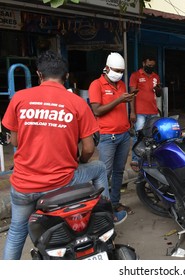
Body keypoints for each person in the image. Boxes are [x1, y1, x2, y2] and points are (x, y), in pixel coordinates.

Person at [2, 51, 127, 260]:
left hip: (23, 185)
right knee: (98, 168)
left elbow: (14, 141)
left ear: (39, 75)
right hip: (60, 182)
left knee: (16, 231)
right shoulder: (76, 102)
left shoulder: (20, 98)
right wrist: (79, 162)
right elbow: (88, 148)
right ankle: (106, 215)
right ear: (66, 76)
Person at [89, 52, 134, 214]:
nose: (119, 74)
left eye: (121, 71)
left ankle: (114, 203)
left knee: (118, 171)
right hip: (107, 136)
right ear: (107, 68)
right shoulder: (96, 85)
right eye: (116, 70)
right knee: (105, 173)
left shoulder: (121, 84)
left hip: (123, 134)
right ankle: (100, 209)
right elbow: (97, 110)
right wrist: (119, 100)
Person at [129, 55, 162, 171]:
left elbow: (158, 94)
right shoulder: (135, 76)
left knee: (152, 136)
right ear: (144, 63)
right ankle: (135, 159)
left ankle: (150, 158)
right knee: (139, 136)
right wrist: (132, 112)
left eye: (153, 66)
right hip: (140, 112)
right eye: (149, 65)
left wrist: (158, 89)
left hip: (153, 111)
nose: (150, 67)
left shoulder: (156, 76)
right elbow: (132, 95)